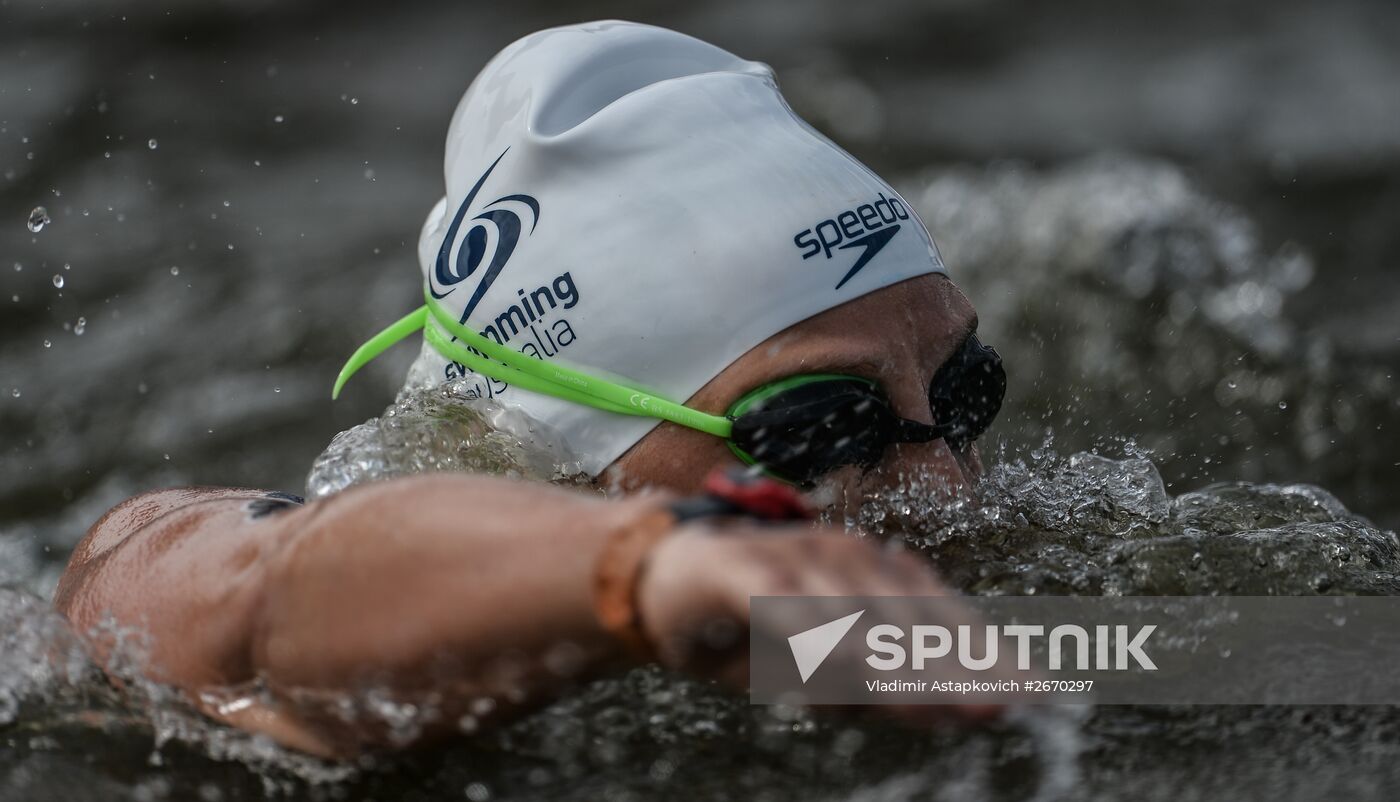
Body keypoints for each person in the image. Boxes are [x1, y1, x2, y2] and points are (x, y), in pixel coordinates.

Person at [54, 21, 1006, 758]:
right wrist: (648, 573)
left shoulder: (976, 627)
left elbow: (1135, 656)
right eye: (821, 427)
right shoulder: (417, 573)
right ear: (567, 447)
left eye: (963, 394)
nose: (950, 492)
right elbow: (172, 586)